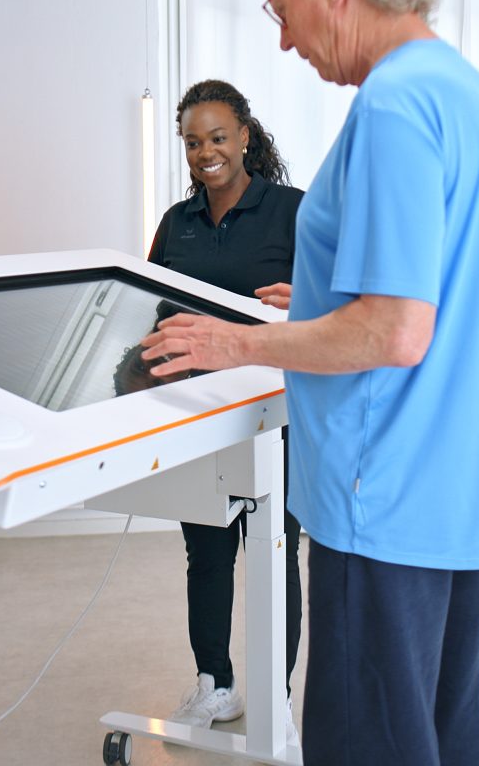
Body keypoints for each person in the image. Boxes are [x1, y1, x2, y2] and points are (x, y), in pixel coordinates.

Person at [140, 0, 479, 766]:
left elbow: (393, 331)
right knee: (441, 731)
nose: (284, 42)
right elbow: (457, 289)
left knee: (368, 744)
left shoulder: (392, 107)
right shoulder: (476, 99)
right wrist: (314, 302)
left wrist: (237, 342)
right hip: (463, 488)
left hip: (383, 496)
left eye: (282, 12)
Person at [145, 79, 305, 737]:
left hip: (276, 411)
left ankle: (277, 695)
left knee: (274, 548)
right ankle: (217, 685)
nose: (205, 152)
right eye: (192, 142)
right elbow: (149, 305)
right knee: (206, 551)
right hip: (197, 413)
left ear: (244, 136)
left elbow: (348, 298)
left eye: (216, 137)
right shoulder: (175, 224)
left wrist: (307, 299)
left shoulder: (292, 209)